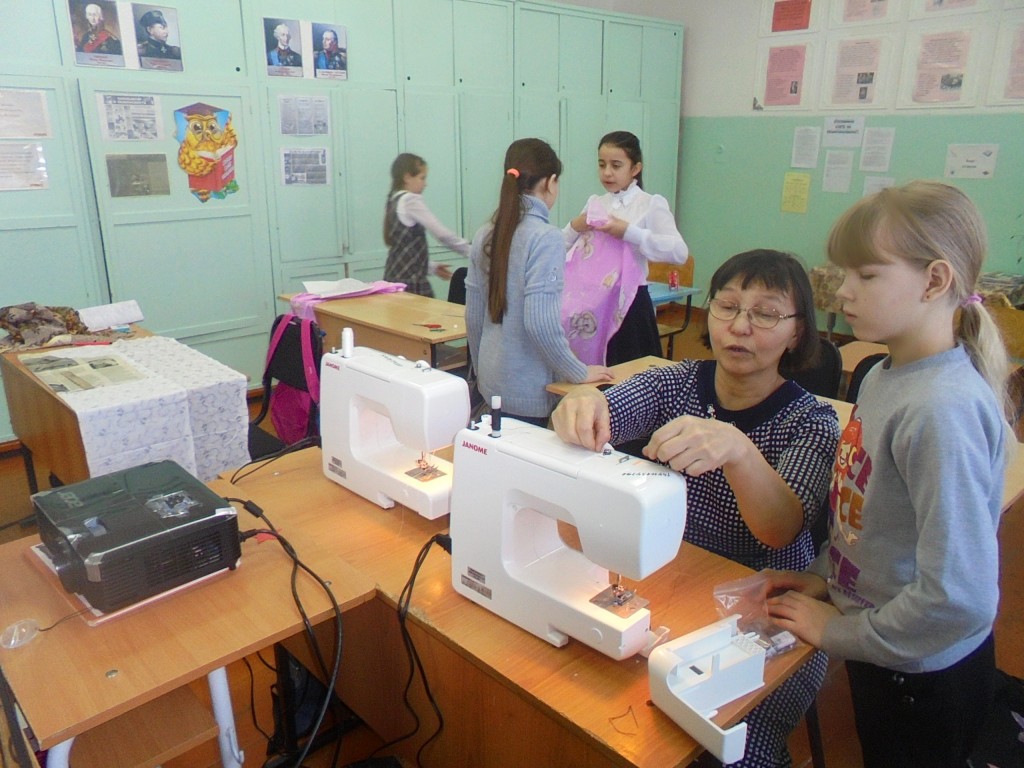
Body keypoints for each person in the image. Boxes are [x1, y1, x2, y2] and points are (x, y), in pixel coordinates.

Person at [552, 249, 840, 767]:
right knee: (584, 698)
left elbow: (781, 528)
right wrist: (582, 403)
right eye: (727, 306)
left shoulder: (812, 422)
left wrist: (739, 450)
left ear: (797, 332)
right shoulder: (674, 383)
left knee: (729, 744)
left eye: (766, 313)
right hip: (672, 586)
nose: (740, 327)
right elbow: (603, 412)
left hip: (765, 613)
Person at [766, 181, 1012, 768]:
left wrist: (838, 633)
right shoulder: (883, 374)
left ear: (934, 281)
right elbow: (870, 515)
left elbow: (959, 599)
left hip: (922, 673)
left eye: (867, 275)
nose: (842, 291)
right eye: (843, 272)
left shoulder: (940, 409)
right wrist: (828, 580)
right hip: (884, 644)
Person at [466, 138, 613, 426]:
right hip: (529, 390)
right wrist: (578, 371)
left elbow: (473, 317)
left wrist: (482, 370)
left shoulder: (485, 233)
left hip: (490, 381)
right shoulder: (546, 237)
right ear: (550, 182)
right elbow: (540, 324)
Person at [562, 130, 688, 366]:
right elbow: (559, 249)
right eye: (602, 164)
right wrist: (574, 226)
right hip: (596, 304)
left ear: (635, 168)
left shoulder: (650, 204)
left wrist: (629, 232)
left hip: (630, 304)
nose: (607, 172)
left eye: (616, 165)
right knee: (597, 369)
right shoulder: (596, 203)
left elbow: (678, 252)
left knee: (630, 370)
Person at [382, 153, 469, 297]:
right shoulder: (410, 200)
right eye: (422, 178)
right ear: (407, 177)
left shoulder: (393, 200)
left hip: (393, 279)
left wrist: (431, 267)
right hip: (411, 283)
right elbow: (441, 234)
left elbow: (403, 249)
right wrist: (471, 250)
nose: (425, 183)